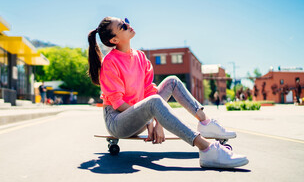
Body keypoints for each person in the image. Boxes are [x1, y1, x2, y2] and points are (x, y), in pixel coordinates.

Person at [87, 17, 248, 169]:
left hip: (140, 115)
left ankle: (205, 123)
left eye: (126, 21)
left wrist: (158, 123)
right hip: (118, 121)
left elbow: (149, 91)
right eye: (123, 26)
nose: (128, 25)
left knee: (172, 81)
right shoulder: (110, 62)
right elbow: (119, 104)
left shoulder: (140, 57)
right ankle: (207, 150)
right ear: (114, 40)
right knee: (155, 101)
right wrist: (150, 121)